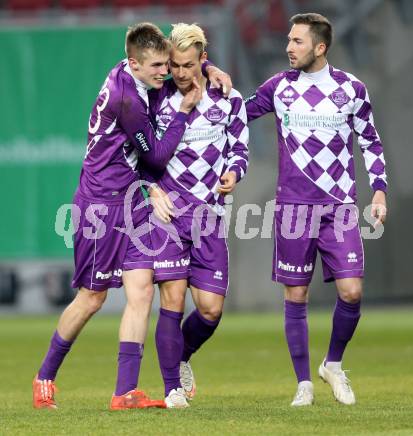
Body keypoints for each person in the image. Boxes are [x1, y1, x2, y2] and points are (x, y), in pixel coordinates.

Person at [32, 22, 229, 410]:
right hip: (101, 207)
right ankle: (44, 378)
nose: (164, 72)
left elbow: (181, 67)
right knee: (91, 298)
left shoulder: (128, 71)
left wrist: (209, 68)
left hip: (129, 199)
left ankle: (125, 392)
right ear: (135, 64)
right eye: (157, 66)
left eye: (166, 64)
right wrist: (185, 113)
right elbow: (155, 155)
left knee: (140, 292)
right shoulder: (128, 101)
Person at [244, 13, 387, 406]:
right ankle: (303, 384)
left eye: (297, 42)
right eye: (288, 40)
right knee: (296, 295)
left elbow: (370, 142)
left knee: (352, 291)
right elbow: (238, 113)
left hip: (339, 208)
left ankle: (333, 364)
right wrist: (213, 82)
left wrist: (379, 191)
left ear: (320, 47)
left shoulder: (351, 89)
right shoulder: (279, 87)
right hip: (293, 208)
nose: (288, 48)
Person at [146, 23, 249, 408]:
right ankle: (172, 389)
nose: (179, 72)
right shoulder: (158, 100)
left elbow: (240, 149)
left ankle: (182, 357)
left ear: (203, 61)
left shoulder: (228, 99)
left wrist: (234, 173)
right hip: (169, 213)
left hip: (209, 215)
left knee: (210, 309)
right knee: (171, 301)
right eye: (174, 64)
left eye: (188, 65)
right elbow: (146, 155)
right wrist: (153, 189)